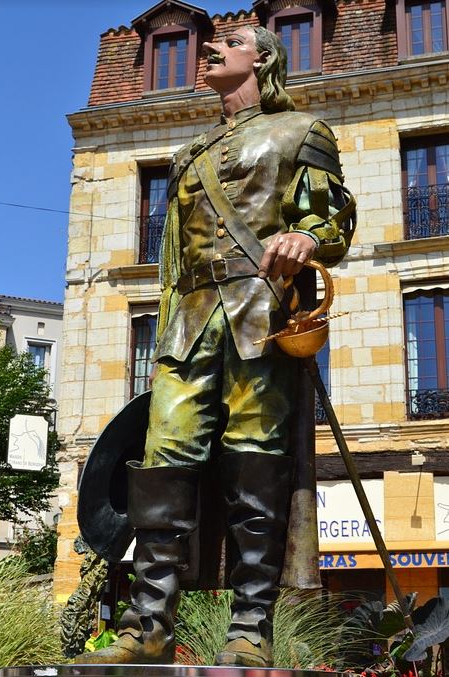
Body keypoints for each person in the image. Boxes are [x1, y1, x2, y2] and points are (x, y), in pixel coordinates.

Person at [77, 24, 356, 667]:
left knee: (255, 467)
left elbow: (334, 218)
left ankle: (250, 629)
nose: (209, 51)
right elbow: (173, 259)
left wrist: (307, 238)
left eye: (226, 43)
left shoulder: (300, 133)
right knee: (161, 466)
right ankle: (150, 629)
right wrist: (167, 317)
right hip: (188, 323)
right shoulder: (188, 155)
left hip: (259, 318)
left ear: (262, 58)